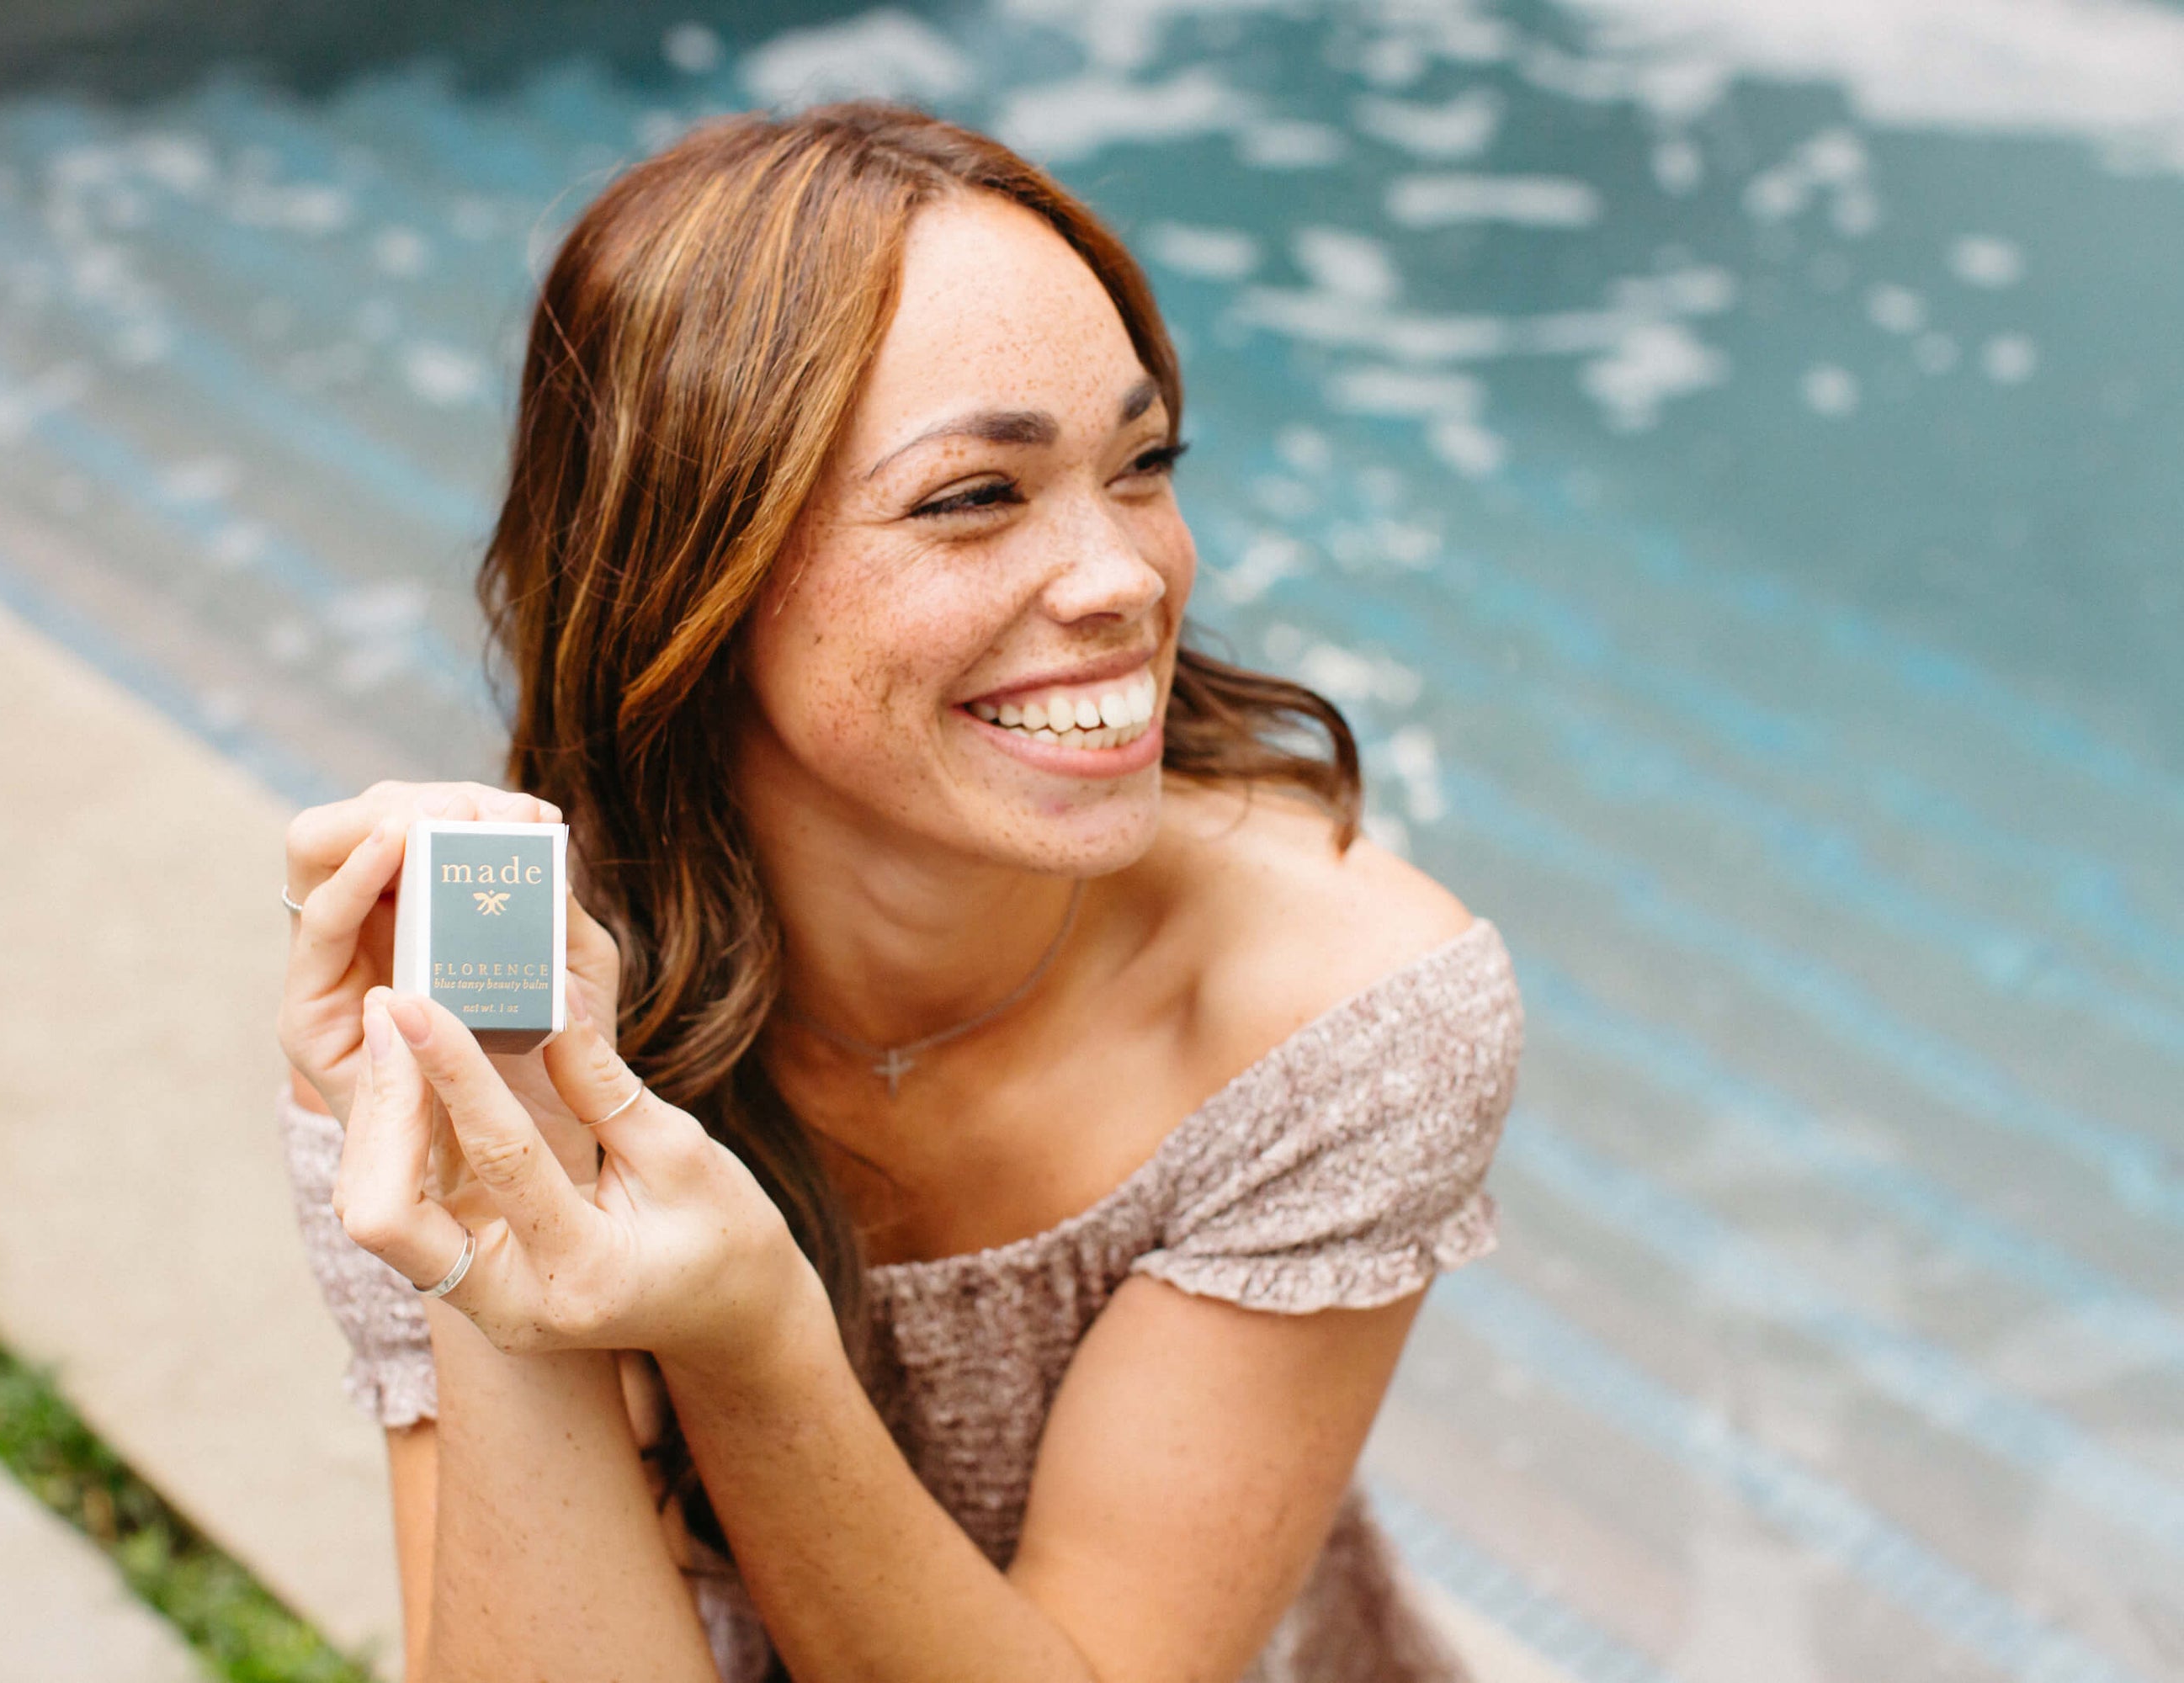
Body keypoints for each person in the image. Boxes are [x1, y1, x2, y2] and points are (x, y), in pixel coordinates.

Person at [274, 103, 1521, 1683]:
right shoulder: (476, 1005)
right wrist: (489, 1228)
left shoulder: (1336, 1021)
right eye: (974, 498)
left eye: (1141, 465)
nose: (1127, 577)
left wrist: (752, 1345)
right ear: (693, 572)